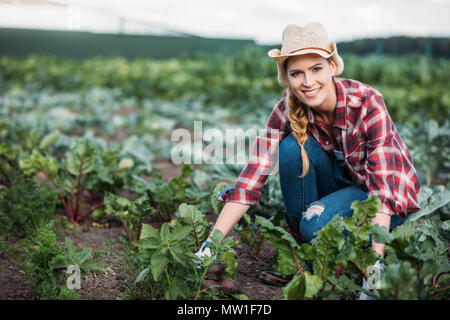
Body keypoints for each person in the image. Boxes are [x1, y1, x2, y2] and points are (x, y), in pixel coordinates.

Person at [196, 22, 421, 290]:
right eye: (297, 73)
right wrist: (210, 244)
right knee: (291, 147)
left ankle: (347, 250)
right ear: (286, 78)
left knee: (315, 228)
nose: (308, 82)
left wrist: (373, 272)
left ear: (333, 67)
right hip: (343, 186)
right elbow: (252, 178)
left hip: (385, 203)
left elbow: (382, 194)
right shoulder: (285, 109)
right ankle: (300, 258)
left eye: (316, 69)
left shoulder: (367, 103)